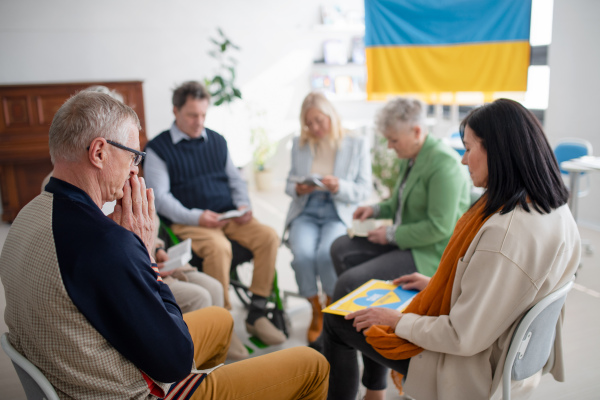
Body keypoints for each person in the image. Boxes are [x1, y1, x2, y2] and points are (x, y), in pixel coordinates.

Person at [0, 91, 329, 399]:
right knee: (312, 365)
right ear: (99, 152)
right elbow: (175, 362)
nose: (135, 168)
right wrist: (140, 251)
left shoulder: (27, 216)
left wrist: (127, 252)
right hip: (130, 388)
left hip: (83, 362)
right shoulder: (106, 244)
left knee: (220, 318)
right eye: (132, 155)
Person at [323, 98, 580, 400]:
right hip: (501, 345)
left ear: (496, 151)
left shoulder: (503, 235)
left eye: (469, 149)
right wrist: (438, 285)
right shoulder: (556, 211)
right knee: (349, 270)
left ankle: (371, 389)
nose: (463, 159)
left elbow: (461, 336)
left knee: (337, 319)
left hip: (468, 365)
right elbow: (501, 294)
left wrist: (397, 320)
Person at [144, 81, 285, 345]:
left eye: (203, 115)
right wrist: (196, 216)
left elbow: (236, 181)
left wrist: (244, 206)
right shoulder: (158, 148)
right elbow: (160, 199)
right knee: (220, 249)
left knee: (268, 236)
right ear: (175, 111)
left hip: (228, 215)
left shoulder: (217, 141)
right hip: (190, 221)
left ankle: (257, 312)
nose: (199, 122)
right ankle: (224, 324)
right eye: (192, 115)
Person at [329, 97, 470, 315]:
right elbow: (399, 202)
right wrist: (375, 210)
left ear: (416, 131)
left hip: (428, 253)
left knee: (348, 284)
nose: (389, 146)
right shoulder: (411, 155)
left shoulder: (445, 165)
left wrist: (391, 234)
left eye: (393, 140)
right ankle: (362, 322)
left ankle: (357, 334)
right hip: (406, 240)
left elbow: (439, 228)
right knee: (339, 248)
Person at [283, 91, 371, 344]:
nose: (314, 128)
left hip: (337, 210)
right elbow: (289, 182)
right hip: (307, 209)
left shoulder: (356, 143)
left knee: (325, 255)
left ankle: (331, 306)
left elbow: (364, 189)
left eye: (319, 120)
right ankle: (315, 308)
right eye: (308, 123)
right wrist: (298, 188)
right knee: (302, 256)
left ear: (330, 114)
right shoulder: (300, 143)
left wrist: (339, 186)